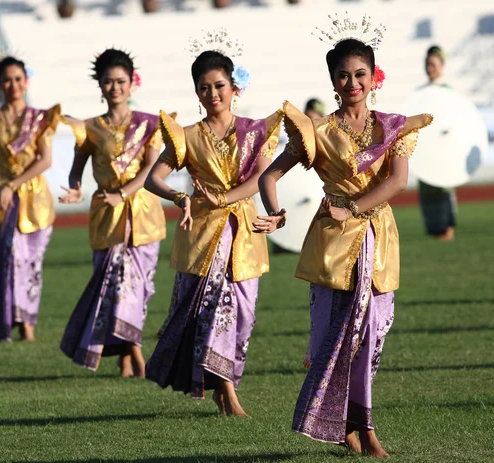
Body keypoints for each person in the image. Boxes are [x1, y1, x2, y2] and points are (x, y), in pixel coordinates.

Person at [256, 34, 432, 456]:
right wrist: (277, 214)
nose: (352, 82)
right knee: (335, 334)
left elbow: (397, 181)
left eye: (360, 74)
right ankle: (354, 427)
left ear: (374, 79)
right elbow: (269, 176)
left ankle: (358, 422)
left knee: (371, 332)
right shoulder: (317, 132)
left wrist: (354, 209)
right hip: (333, 241)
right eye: (343, 76)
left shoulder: (394, 127)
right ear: (333, 81)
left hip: (375, 235)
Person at [144, 47, 283, 417]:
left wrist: (274, 212)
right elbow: (152, 179)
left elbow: (262, 177)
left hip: (245, 233)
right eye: (203, 88)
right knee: (215, 308)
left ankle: (224, 386)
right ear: (196, 93)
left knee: (243, 312)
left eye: (219, 85)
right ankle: (228, 392)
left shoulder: (255, 131)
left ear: (233, 86)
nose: (212, 94)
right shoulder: (187, 136)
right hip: (205, 236)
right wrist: (177, 195)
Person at [59, 49, 166, 378]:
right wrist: (75, 187)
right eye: (108, 81)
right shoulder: (89, 128)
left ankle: (126, 355)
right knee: (115, 288)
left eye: (121, 81)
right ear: (100, 86)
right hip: (106, 214)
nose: (115, 87)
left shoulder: (151, 124)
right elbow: (76, 168)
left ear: (132, 83)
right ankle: (135, 354)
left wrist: (124, 194)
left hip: (143, 215)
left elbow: (150, 168)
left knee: (139, 290)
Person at [0, 56, 61, 342]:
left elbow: (45, 160)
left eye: (18, 79)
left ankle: (27, 322)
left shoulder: (40, 119)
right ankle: (9, 325)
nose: (13, 85)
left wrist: (14, 184)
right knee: (8, 260)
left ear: (26, 81)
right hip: (3, 200)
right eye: (7, 79)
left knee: (31, 262)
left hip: (35, 199)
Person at [418, 45, 456, 241]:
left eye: (433, 64)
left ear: (442, 66)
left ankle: (447, 230)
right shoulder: (420, 93)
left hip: (443, 151)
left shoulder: (448, 92)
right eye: (427, 64)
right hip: (427, 151)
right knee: (427, 191)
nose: (430, 68)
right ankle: (433, 230)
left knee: (444, 190)